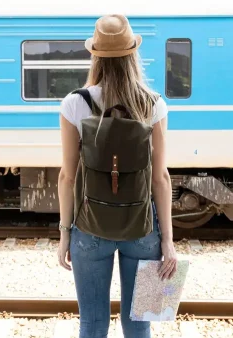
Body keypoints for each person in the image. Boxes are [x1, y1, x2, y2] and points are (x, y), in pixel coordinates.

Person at [56, 14, 178, 338]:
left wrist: (64, 233)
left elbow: (67, 177)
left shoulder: (74, 104)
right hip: (142, 229)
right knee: (139, 322)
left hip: (89, 226)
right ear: (132, 56)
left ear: (95, 56)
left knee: (92, 324)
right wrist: (167, 241)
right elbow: (161, 177)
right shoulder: (153, 104)